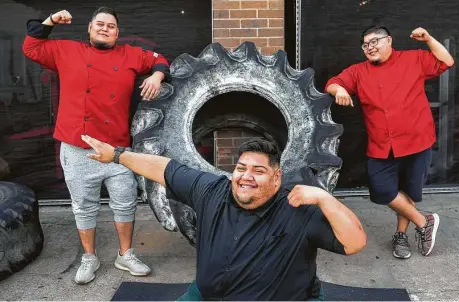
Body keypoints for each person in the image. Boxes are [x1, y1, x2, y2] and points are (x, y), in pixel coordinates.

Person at [80, 134, 366, 300]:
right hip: (207, 296)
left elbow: (354, 243)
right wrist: (117, 155)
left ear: (276, 177)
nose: (246, 177)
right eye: (241, 168)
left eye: (258, 170)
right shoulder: (211, 189)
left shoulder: (298, 206)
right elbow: (163, 169)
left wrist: (326, 199)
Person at [22, 7, 170, 284]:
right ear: (89, 28)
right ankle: (89, 257)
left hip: (118, 150)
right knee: (83, 206)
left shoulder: (130, 55)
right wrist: (51, 21)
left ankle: (125, 254)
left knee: (126, 204)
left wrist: (156, 76)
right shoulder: (65, 50)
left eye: (111, 26)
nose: (105, 28)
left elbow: (160, 59)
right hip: (79, 148)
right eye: (99, 24)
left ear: (117, 32)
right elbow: (31, 47)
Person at [325, 26, 454, 259]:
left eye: (375, 41)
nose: (370, 47)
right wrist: (339, 90)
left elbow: (446, 61)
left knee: (408, 191)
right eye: (366, 44)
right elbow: (332, 82)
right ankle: (424, 221)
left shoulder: (412, 59)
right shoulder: (358, 71)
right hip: (381, 144)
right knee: (382, 190)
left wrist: (429, 39)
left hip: (416, 140)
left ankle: (401, 237)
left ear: (389, 41)